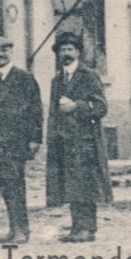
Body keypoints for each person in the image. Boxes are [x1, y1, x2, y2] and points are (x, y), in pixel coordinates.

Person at [44, 30, 113, 242]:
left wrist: (77, 106)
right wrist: (52, 135)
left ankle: (88, 228)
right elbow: (54, 112)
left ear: (78, 52)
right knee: (71, 184)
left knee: (86, 184)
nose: (66, 53)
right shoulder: (57, 79)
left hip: (85, 140)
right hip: (64, 140)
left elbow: (101, 107)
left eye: (70, 49)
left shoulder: (88, 75)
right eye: (62, 50)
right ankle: (77, 227)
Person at [0, 35, 42, 243]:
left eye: (4, 50)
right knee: (6, 185)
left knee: (16, 184)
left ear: (11, 52)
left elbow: (36, 110)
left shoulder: (24, 78)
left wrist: (35, 139)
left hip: (17, 140)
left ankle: (21, 229)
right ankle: (13, 227)